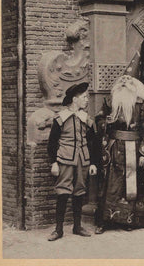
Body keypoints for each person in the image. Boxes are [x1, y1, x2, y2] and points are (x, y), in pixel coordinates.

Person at [94, 74, 144, 234]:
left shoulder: (142, 106)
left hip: (134, 150)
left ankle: (131, 220)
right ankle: (105, 221)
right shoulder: (110, 102)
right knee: (110, 184)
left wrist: (143, 152)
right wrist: (105, 123)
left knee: (132, 184)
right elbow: (99, 120)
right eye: (121, 82)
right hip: (113, 149)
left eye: (128, 83)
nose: (124, 85)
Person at [47, 82, 98, 241]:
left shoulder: (86, 119)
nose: (86, 100)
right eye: (84, 97)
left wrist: (93, 163)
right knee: (63, 193)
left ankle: (77, 227)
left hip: (83, 160)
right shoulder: (60, 118)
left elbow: (93, 142)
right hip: (65, 160)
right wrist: (54, 162)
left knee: (80, 192)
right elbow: (52, 142)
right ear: (75, 99)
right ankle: (58, 230)